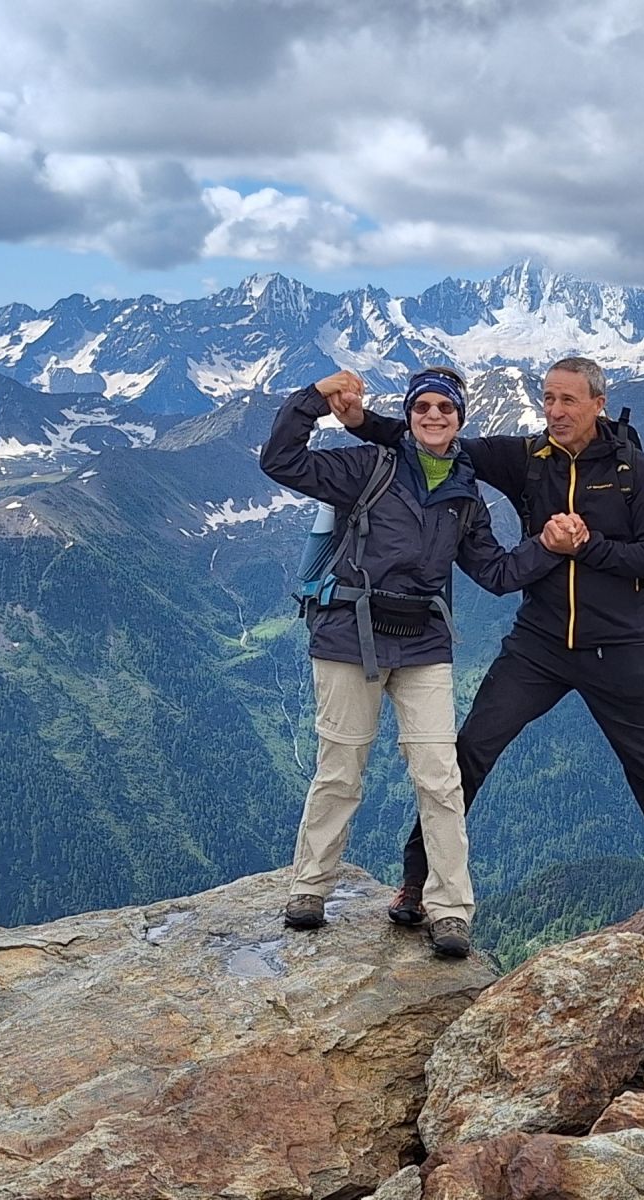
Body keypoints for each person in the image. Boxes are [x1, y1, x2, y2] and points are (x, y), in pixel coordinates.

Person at [328, 356, 644, 921]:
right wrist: (358, 422)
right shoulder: (526, 459)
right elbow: (432, 437)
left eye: (569, 400)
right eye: (548, 399)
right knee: (468, 754)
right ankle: (417, 882)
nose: (556, 411)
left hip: (617, 648)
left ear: (597, 402)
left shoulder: (634, 470)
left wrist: (585, 545)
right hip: (538, 644)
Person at [259, 365, 585, 957]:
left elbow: (495, 573)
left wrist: (545, 548)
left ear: (461, 419)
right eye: (423, 408)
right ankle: (310, 889)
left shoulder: (465, 495)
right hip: (347, 637)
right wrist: (316, 399)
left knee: (440, 777)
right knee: (341, 769)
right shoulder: (367, 469)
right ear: (408, 416)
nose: (434, 417)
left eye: (446, 409)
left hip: (423, 644)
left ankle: (450, 910)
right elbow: (281, 460)